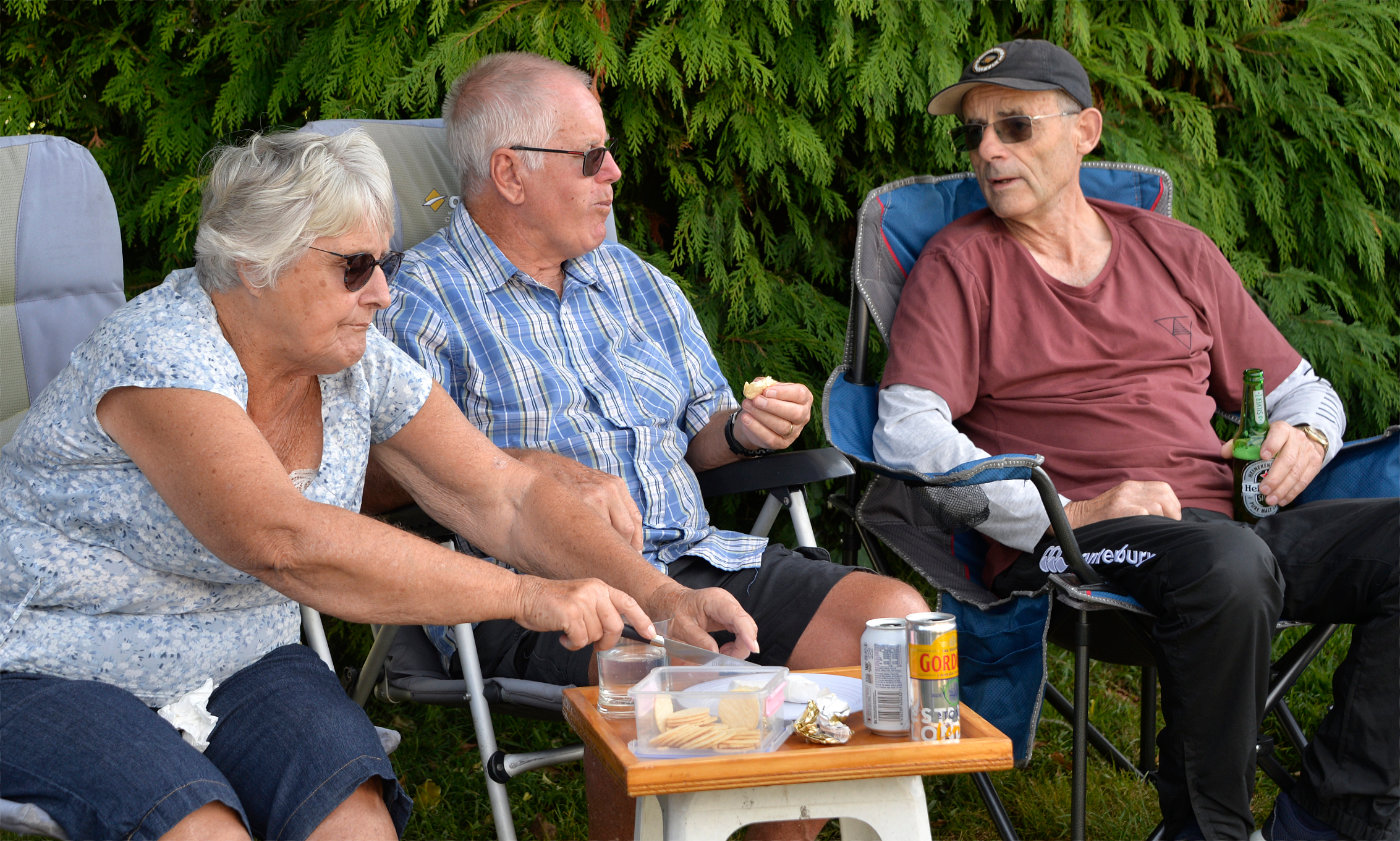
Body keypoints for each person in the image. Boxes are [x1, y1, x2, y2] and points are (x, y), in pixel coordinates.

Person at [0, 129, 661, 841]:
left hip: (244, 660)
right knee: (199, 829)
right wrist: (527, 595)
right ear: (256, 264)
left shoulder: (356, 364)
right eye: (355, 267)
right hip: (48, 667)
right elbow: (284, 541)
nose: (382, 293)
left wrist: (664, 600)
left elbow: (506, 495)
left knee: (354, 823)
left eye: (386, 262)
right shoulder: (161, 355)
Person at [374, 51, 928, 840]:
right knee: (683, 679)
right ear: (509, 173)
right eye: (591, 156)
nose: (615, 172)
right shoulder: (419, 303)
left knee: (890, 625)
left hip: (697, 557)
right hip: (541, 590)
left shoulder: (634, 281)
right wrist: (533, 469)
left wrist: (742, 430)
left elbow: (702, 436)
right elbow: (393, 474)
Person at [872, 38, 1397, 841]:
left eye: (1015, 126)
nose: (988, 150)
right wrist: (1072, 511)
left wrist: (1309, 437)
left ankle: (1335, 821)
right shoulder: (962, 264)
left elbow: (1304, 388)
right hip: (1079, 549)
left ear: (1085, 131)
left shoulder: (1175, 251)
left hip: (1223, 533)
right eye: (974, 132)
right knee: (1228, 564)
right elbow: (908, 435)